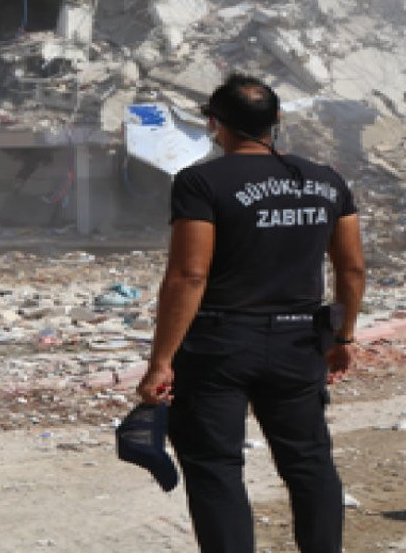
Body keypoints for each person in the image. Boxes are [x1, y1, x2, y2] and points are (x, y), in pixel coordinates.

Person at [137, 73, 366, 553]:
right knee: (309, 463)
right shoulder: (325, 181)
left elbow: (189, 275)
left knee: (216, 467)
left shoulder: (200, 181)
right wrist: (343, 338)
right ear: (276, 122)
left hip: (219, 346)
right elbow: (352, 268)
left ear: (214, 124)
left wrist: (161, 361)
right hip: (299, 343)